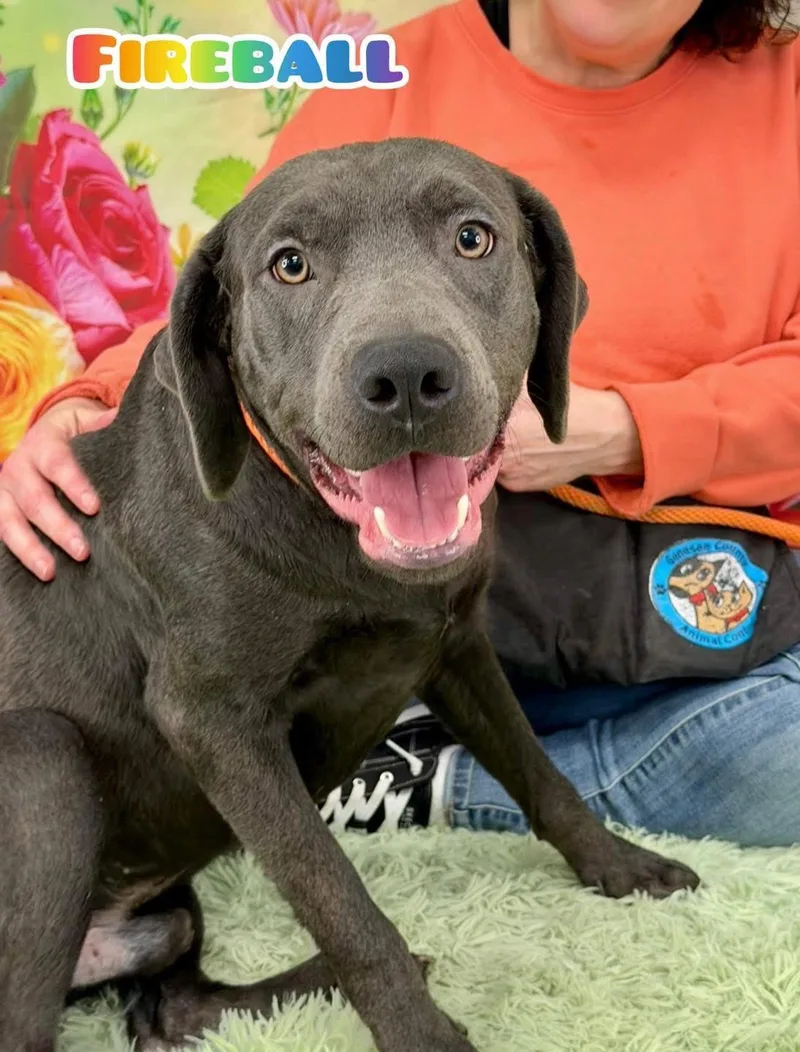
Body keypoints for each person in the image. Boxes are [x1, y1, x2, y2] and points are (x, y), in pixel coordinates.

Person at [3, 0, 800, 848]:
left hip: (704, 609)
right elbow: (256, 307)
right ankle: (418, 766)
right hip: (407, 607)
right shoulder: (385, 78)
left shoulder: (784, 96)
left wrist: (625, 428)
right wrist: (83, 401)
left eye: (470, 241)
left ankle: (424, 783)